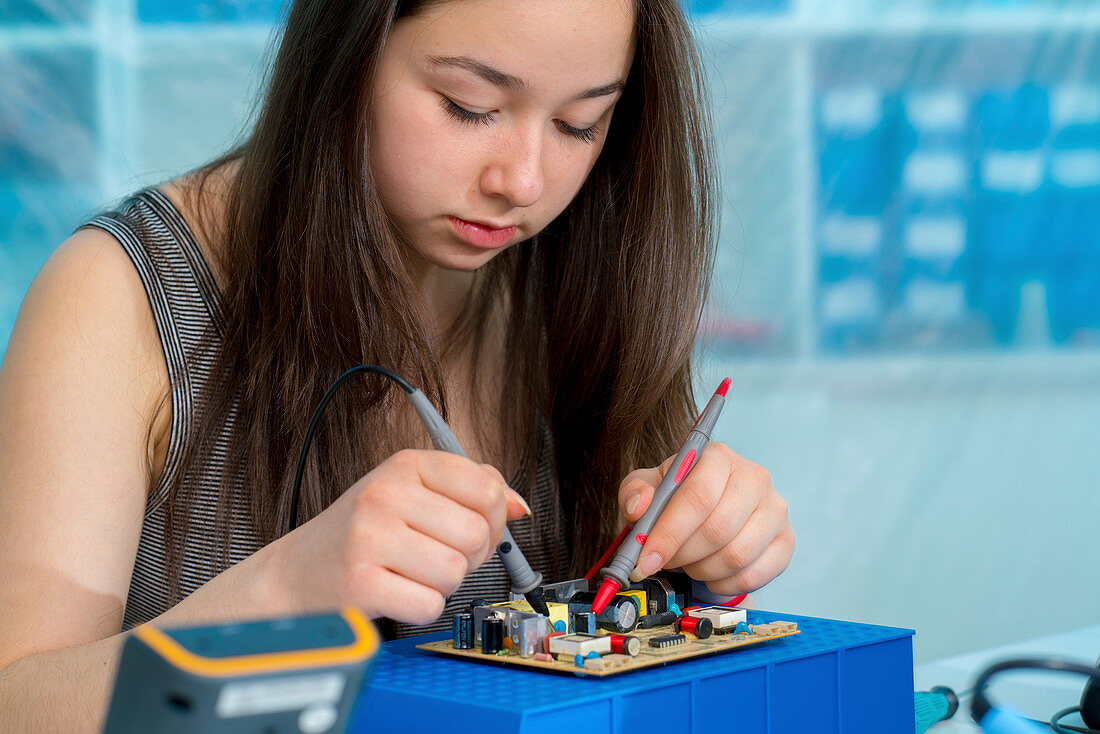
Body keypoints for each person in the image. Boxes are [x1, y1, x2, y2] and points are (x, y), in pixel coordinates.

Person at [0, 0, 794, 729]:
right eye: (468, 108)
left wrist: (700, 578)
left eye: (580, 124)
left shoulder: (576, 284)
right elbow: (15, 704)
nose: (521, 181)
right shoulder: (125, 293)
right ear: (349, 47)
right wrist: (282, 592)